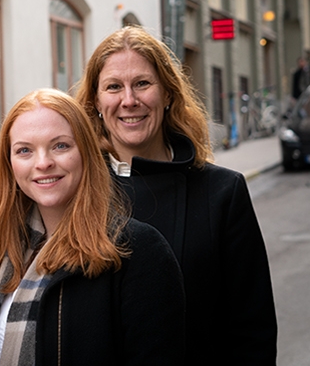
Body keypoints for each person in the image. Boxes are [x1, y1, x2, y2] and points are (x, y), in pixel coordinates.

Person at [75, 25, 277, 365]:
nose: (129, 100)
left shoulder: (223, 193)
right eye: (113, 87)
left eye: (142, 83)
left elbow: (252, 332)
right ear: (96, 101)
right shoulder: (75, 193)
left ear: (168, 94)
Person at [0, 88, 185, 365]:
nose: (43, 163)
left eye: (60, 146)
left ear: (86, 153)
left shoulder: (138, 251)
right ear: (9, 164)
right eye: (24, 150)